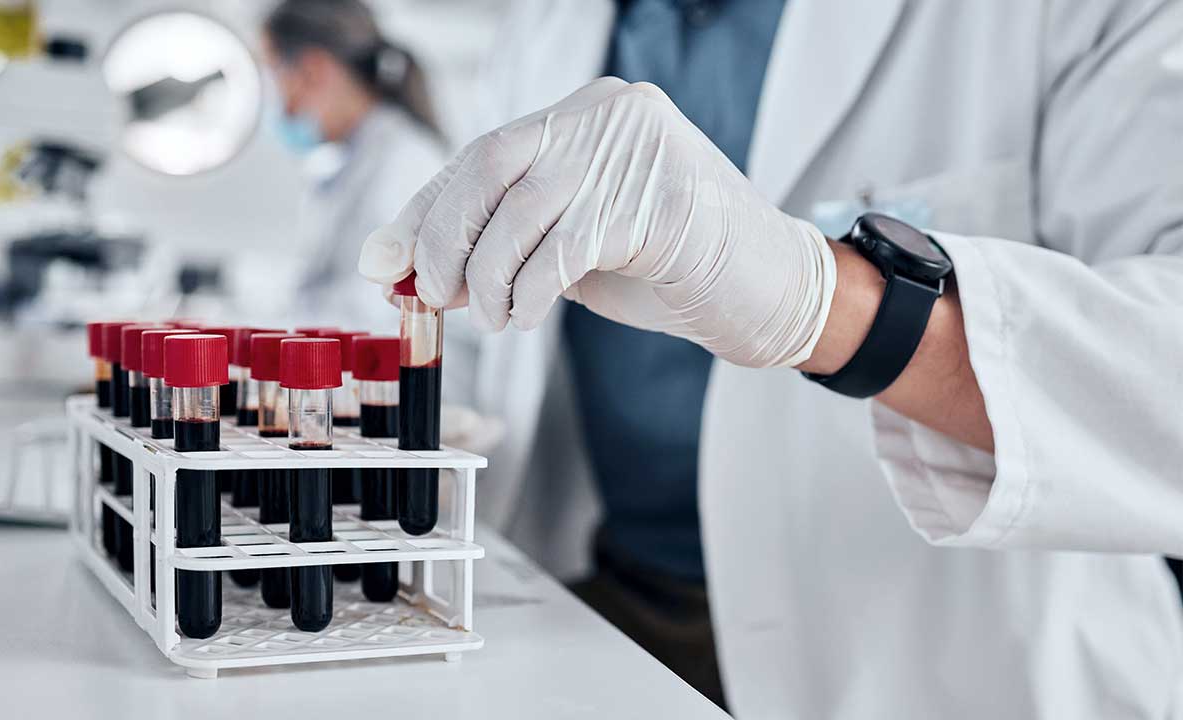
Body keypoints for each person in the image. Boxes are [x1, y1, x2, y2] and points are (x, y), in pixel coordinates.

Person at [361, 1, 1183, 718]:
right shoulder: (548, 22)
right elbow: (488, 324)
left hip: (939, 664)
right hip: (610, 605)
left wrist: (823, 300)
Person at [261, 0, 445, 334]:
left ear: (313, 70)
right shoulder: (355, 161)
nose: (279, 105)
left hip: (412, 378)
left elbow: (375, 312)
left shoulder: (405, 162)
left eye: (275, 75)